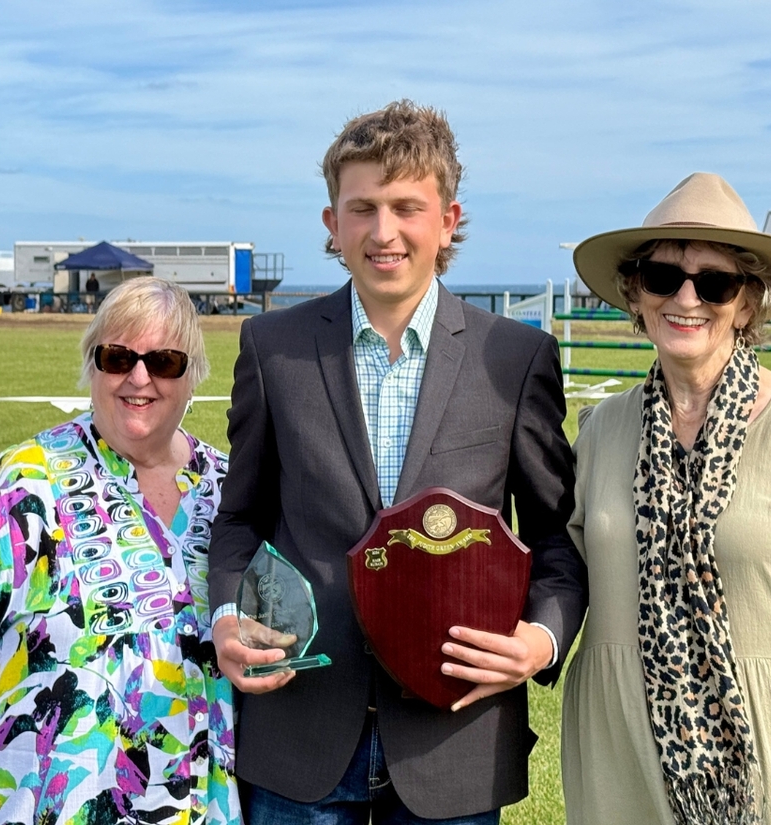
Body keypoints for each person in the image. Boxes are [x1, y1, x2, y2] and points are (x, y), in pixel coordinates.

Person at [208, 100, 586, 823]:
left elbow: (553, 541)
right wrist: (226, 614)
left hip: (455, 740)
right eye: (363, 208)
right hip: (300, 734)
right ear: (332, 224)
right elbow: (241, 518)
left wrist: (537, 640)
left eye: (407, 207)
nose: (384, 232)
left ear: (447, 219)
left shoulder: (514, 358)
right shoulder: (273, 348)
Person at [563, 172, 771, 824]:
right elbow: (565, 571)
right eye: (664, 276)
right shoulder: (602, 430)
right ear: (636, 292)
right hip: (625, 749)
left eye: (715, 282)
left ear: (747, 304)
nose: (686, 297)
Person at [0, 278, 240, 824]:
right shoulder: (23, 483)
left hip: (198, 806)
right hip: (41, 806)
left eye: (164, 361)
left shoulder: (227, 489)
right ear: (92, 366)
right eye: (118, 357)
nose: (139, 378)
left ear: (193, 377)